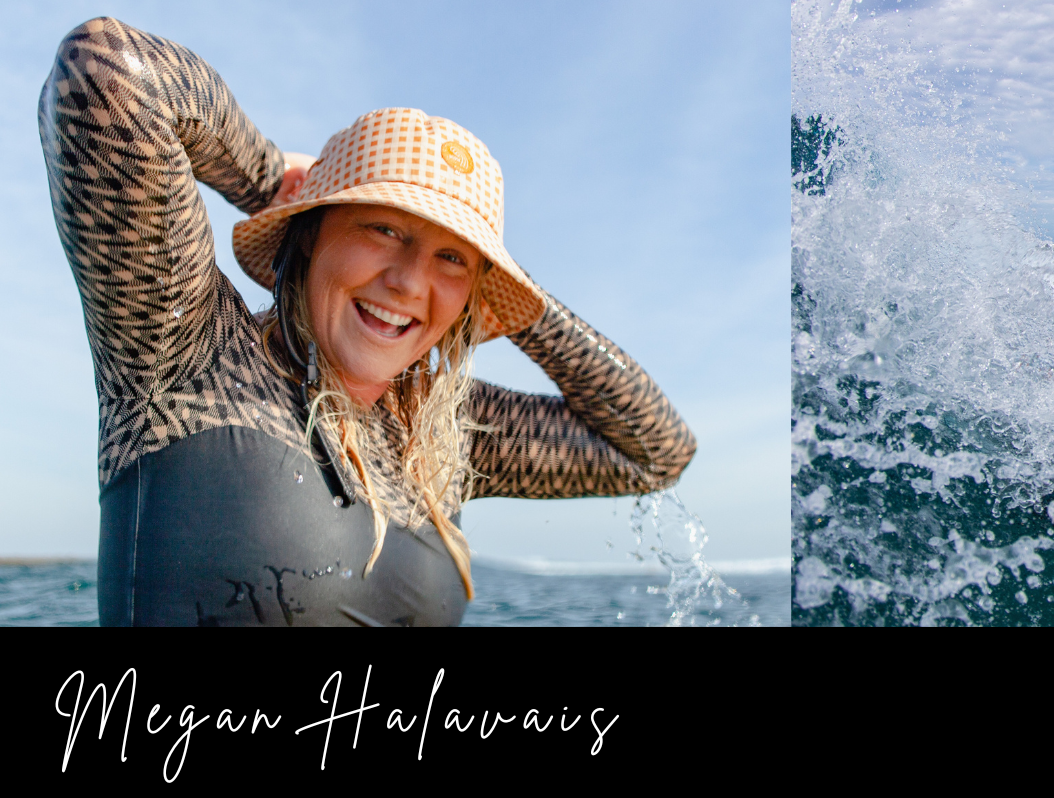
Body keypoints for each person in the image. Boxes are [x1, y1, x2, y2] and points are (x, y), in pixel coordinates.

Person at [42, 18, 696, 626]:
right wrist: (275, 181)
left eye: (451, 259)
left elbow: (655, 453)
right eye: (383, 228)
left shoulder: (443, 439)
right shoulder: (186, 350)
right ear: (309, 238)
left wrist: (520, 300)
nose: (410, 281)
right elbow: (108, 72)